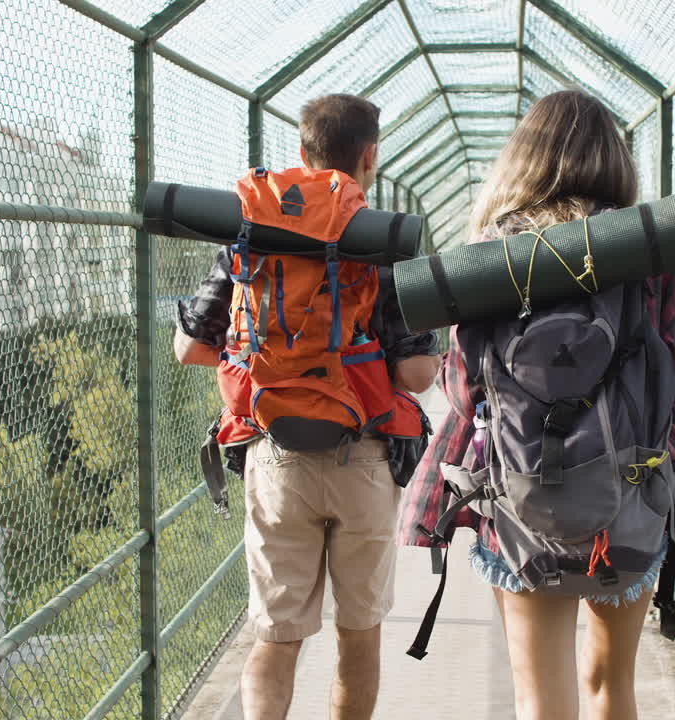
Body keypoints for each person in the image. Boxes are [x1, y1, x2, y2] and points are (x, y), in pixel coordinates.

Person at [397, 89, 675, 720]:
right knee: (612, 685)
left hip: (518, 502)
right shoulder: (650, 251)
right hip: (632, 499)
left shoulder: (489, 257)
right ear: (614, 159)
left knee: (540, 698)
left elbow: (460, 392)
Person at [174, 93, 440, 720]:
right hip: (365, 458)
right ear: (370, 157)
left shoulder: (253, 234)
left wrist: (270, 362)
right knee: (359, 633)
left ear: (303, 153)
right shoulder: (382, 241)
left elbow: (190, 347)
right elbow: (417, 371)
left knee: (276, 635)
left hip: (275, 457)